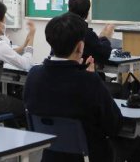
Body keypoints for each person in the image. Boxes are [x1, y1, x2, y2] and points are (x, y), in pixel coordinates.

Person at [24, 13, 122, 162]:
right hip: (89, 156)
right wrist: (92, 80)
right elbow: (114, 125)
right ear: (80, 46)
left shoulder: (33, 75)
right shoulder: (89, 81)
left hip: (50, 155)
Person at [67, 0, 114, 66]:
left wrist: (101, 39)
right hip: (79, 72)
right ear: (87, 13)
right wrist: (106, 38)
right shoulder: (85, 33)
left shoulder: (59, 29)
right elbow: (103, 55)